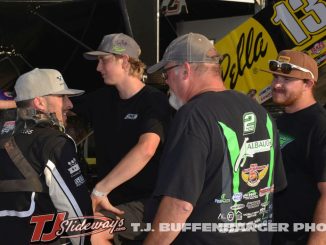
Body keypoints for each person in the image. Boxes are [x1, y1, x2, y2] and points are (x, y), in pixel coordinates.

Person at [144, 33, 287, 245]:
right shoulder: (259, 111)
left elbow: (179, 203)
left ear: (185, 70)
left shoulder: (194, 115)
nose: (167, 83)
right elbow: (275, 185)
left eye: (166, 74)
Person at [73, 33, 171, 244]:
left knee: (93, 232)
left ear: (124, 60)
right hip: (111, 202)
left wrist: (100, 189)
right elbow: (60, 103)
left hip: (148, 202)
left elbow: (146, 149)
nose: (98, 68)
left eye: (104, 60)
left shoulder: (154, 101)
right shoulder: (101, 99)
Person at [0, 68, 93, 245]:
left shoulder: (4, 136)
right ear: (39, 103)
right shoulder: (53, 142)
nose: (69, 104)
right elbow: (75, 213)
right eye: (61, 97)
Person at [262, 50, 326, 245]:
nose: (276, 84)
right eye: (275, 77)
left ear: (308, 83)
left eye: (287, 79)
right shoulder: (279, 122)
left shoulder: (319, 125)